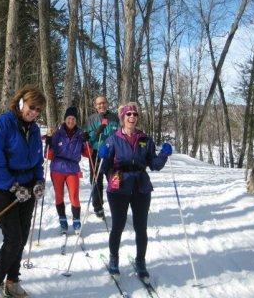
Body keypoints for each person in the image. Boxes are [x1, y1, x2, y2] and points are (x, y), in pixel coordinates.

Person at [98, 102, 172, 280]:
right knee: (118, 225)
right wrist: (103, 156)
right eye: (129, 114)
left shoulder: (145, 139)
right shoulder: (113, 139)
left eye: (135, 114)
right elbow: (103, 168)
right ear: (123, 117)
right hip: (118, 185)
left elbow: (154, 164)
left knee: (141, 227)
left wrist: (164, 154)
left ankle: (140, 262)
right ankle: (114, 259)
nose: (132, 117)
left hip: (140, 186)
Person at [0, 85, 46, 298]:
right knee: (13, 238)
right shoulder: (4, 123)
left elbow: (38, 159)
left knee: (21, 238)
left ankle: (12, 280)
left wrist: (39, 181)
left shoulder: (35, 129)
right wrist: (12, 186)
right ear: (21, 102)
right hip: (5, 190)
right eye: (32, 107)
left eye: (39, 110)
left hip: (27, 189)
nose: (34, 113)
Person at [45, 106, 92, 234]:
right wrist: (48, 144)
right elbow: (48, 156)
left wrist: (88, 142)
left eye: (73, 119)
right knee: (59, 196)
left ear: (76, 121)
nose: (71, 121)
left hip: (72, 169)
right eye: (69, 118)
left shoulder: (80, 135)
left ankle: (76, 221)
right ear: (65, 119)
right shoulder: (57, 134)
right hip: (57, 168)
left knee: (74, 197)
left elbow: (88, 154)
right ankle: (63, 221)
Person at [85, 96, 119, 218]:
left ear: (107, 104)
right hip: (96, 153)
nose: (101, 105)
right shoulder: (91, 119)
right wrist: (97, 131)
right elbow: (88, 138)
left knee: (115, 180)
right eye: (98, 104)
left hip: (113, 154)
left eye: (103, 103)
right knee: (96, 180)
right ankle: (98, 207)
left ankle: (117, 205)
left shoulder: (115, 118)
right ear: (95, 106)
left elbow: (120, 134)